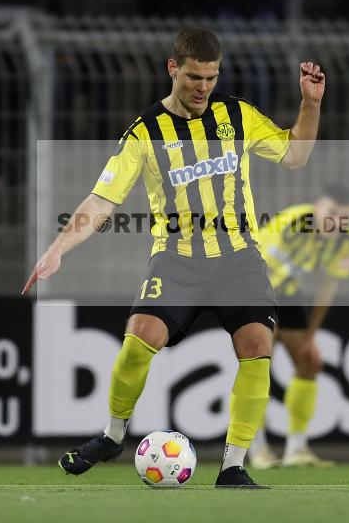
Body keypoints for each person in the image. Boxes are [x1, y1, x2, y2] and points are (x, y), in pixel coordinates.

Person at [22, 28, 326, 488]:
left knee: (257, 348)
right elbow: (102, 200)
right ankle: (112, 436)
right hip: (177, 258)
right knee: (138, 341)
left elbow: (295, 156)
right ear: (173, 69)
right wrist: (57, 248)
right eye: (194, 77)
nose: (203, 87)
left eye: (211, 78)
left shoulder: (237, 115)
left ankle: (233, 466)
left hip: (238, 258)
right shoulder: (144, 133)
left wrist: (310, 104)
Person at [248, 185, 349, 469]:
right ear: (317, 208)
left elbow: (328, 286)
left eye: (344, 217)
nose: (336, 223)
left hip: (287, 292)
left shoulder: (347, 241)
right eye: (331, 213)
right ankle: (257, 449)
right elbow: (255, 266)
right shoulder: (291, 225)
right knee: (259, 364)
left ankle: (296, 450)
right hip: (253, 287)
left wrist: (310, 335)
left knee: (310, 361)